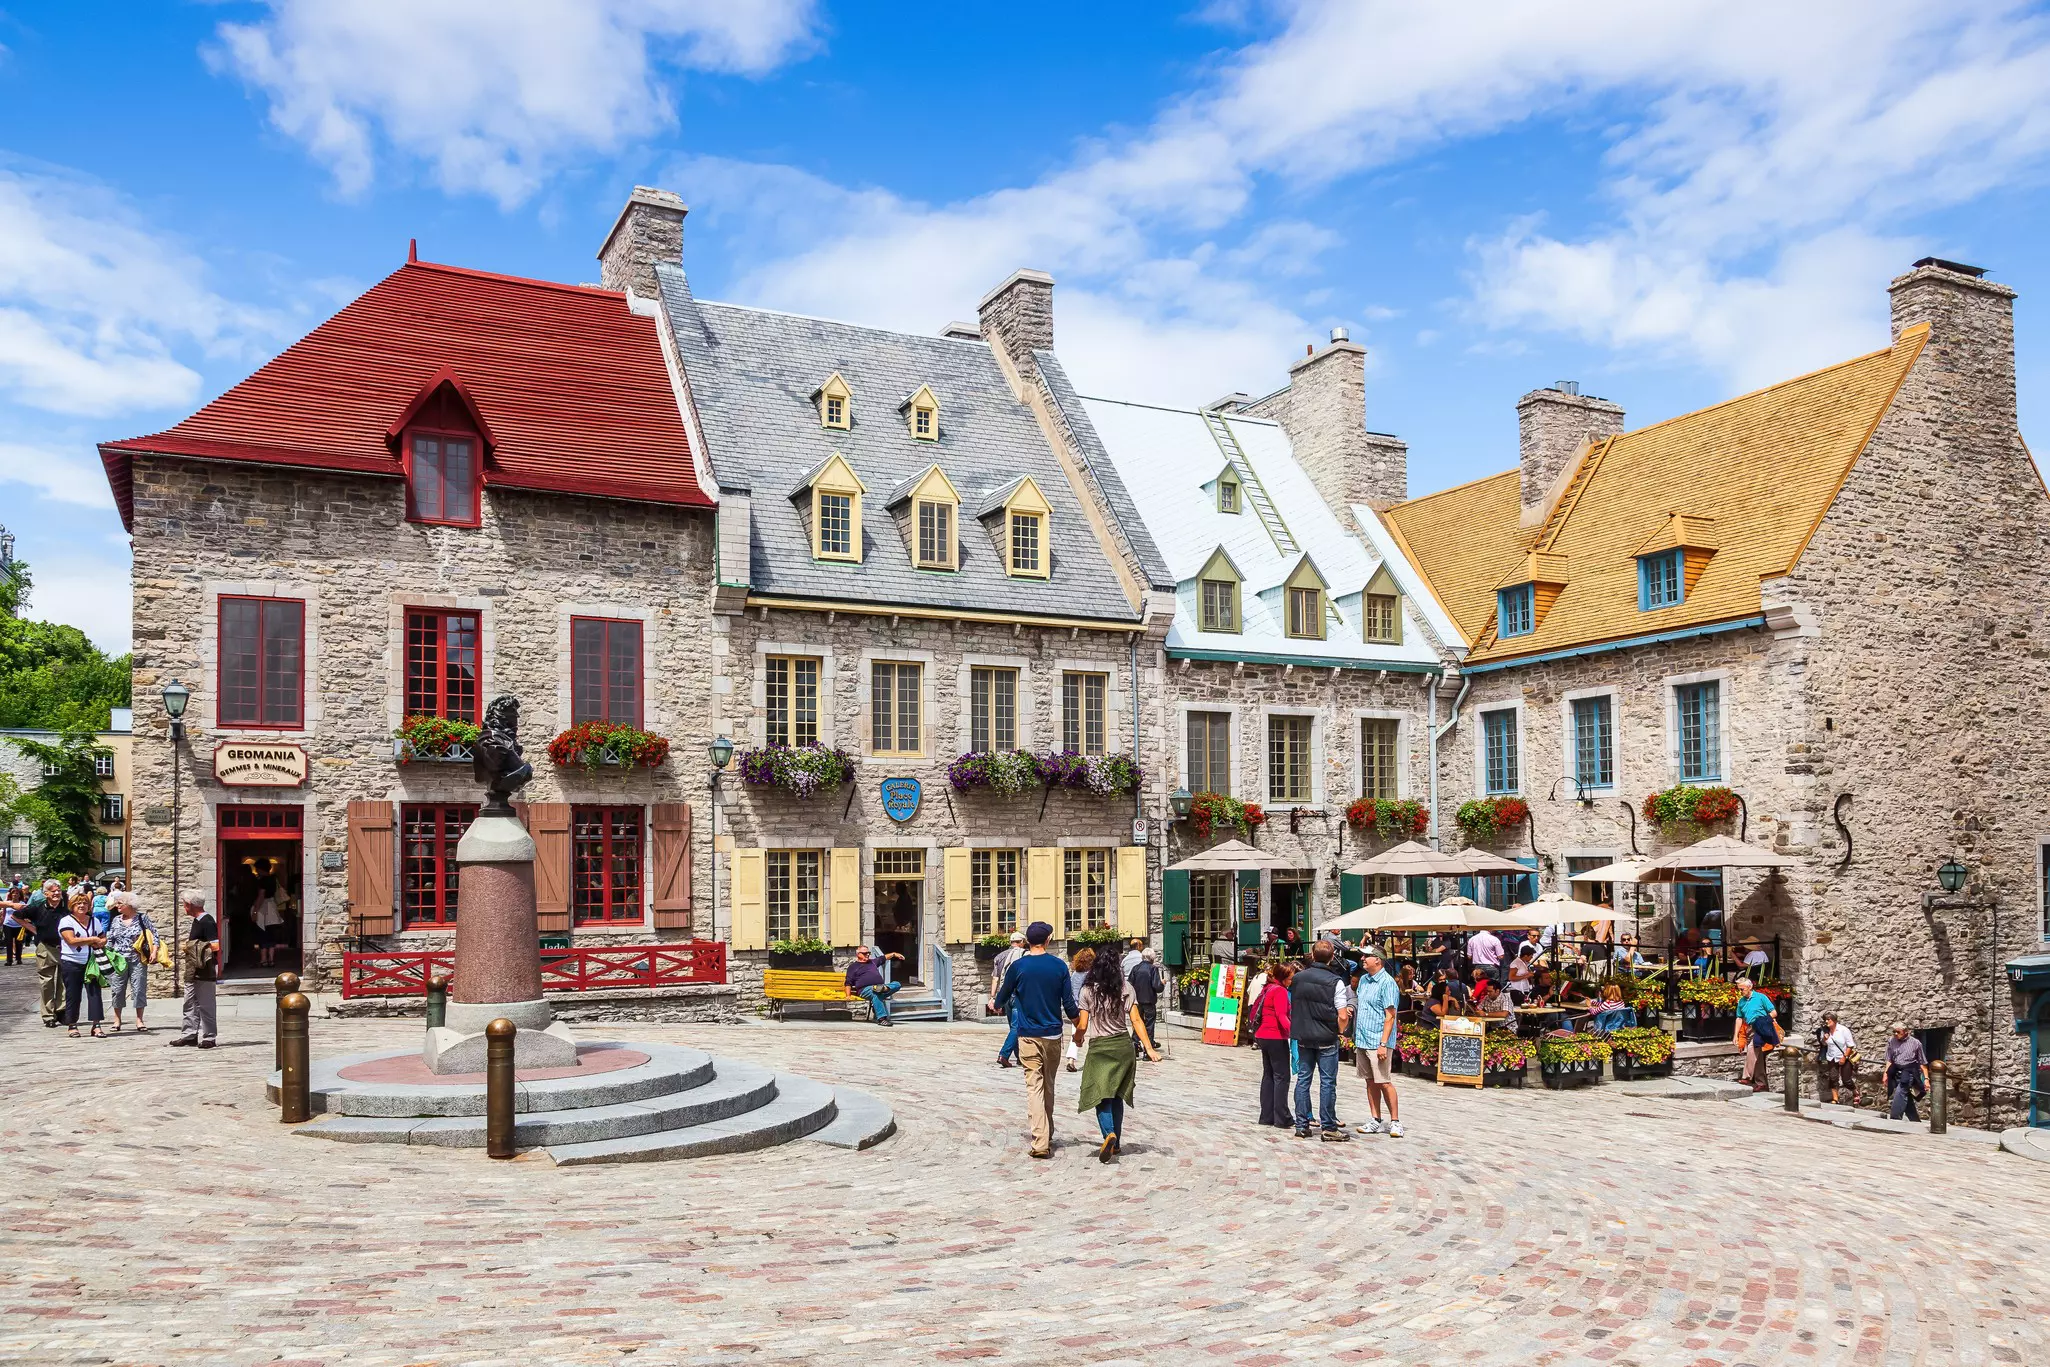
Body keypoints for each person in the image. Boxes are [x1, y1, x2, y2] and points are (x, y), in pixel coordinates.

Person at [991, 921, 1079, 1158]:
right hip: (1053, 1035)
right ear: (1048, 940)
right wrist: (1079, 1023)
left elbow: (1002, 996)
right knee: (1048, 1084)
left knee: (1034, 1086)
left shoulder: (1018, 967)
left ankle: (1040, 1141)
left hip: (1028, 1035)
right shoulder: (1059, 966)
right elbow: (1068, 1002)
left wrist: (996, 1005)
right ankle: (1045, 1132)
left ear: (1028, 941)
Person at [1074, 944, 1161, 1162]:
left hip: (1100, 1048)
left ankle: (1109, 1134)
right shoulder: (1125, 988)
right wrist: (1149, 1048)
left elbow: (1083, 1024)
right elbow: (1136, 1020)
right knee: (1117, 1096)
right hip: (1123, 1046)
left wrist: (1077, 1039)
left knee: (1101, 1094)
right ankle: (1117, 1143)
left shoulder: (1087, 990)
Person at [1288, 941, 1352, 1141]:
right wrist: (1341, 1030)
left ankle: (1301, 1125)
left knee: (1303, 1080)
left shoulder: (1297, 978)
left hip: (1304, 1035)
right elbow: (1342, 1015)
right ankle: (1329, 1126)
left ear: (1313, 956)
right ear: (1332, 957)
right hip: (1326, 1036)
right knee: (1327, 1083)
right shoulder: (1336, 982)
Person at [1352, 948, 1403, 1138]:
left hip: (1378, 1040)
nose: (1362, 959)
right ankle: (1376, 1119)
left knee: (1384, 1081)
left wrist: (1383, 1043)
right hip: (1363, 1039)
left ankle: (1396, 1122)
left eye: (1367, 956)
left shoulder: (1387, 983)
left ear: (1378, 961)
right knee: (1370, 1080)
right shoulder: (1364, 980)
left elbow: (1390, 1016)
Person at [169, 893, 221, 1048]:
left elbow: (215, 946)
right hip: (192, 969)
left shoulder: (207, 921)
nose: (184, 907)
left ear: (190, 905)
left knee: (206, 1004)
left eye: (185, 904)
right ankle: (189, 1035)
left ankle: (209, 1037)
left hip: (204, 968)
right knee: (189, 1002)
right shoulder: (197, 921)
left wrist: (191, 946)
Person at [100, 893, 156, 1034]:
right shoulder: (116, 920)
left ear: (129, 905)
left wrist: (154, 952)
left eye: (120, 903)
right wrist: (107, 954)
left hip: (138, 959)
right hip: (119, 960)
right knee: (117, 990)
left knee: (138, 989)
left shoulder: (142, 918)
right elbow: (111, 938)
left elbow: (155, 935)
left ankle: (139, 1020)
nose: (117, 906)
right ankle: (117, 1019)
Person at [1248, 961, 1294, 1127]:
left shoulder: (1268, 988)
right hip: (1276, 1036)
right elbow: (1282, 1016)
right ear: (1282, 978)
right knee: (1282, 1077)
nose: (1291, 982)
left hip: (1262, 1035)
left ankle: (1266, 1116)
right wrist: (1295, 1033)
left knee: (1268, 1076)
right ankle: (1282, 1117)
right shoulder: (1280, 991)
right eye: (1289, 979)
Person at [57, 891, 107, 1038]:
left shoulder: (94, 921)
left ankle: (96, 1025)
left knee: (94, 993)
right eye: (78, 903)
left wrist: (101, 941)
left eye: (85, 903)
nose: (82, 905)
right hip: (71, 962)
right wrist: (93, 939)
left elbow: (103, 937)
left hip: (91, 962)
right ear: (72, 905)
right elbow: (71, 940)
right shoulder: (66, 921)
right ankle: (72, 1024)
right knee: (73, 994)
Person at [27, 879, 67, 1026]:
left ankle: (62, 1011)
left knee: (64, 981)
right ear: (46, 893)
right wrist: (33, 930)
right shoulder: (38, 907)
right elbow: (17, 915)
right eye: (53, 890)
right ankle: (48, 1015)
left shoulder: (66, 906)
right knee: (46, 982)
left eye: (58, 890)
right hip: (45, 947)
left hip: (65, 947)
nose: (57, 893)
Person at [988, 930, 1027, 1067]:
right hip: (1017, 995)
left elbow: (995, 978)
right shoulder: (1024, 955)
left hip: (1005, 995)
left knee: (1013, 1027)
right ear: (1022, 942)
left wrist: (993, 998)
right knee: (1017, 1027)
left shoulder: (1000, 956)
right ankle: (1004, 1055)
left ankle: (1019, 1057)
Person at [1734, 977, 1779, 1091]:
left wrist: (1764, 1021)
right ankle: (1761, 1083)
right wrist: (1736, 1036)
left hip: (1761, 1028)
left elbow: (1773, 1012)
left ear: (1750, 987)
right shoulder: (1741, 1001)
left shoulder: (1761, 997)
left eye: (1742, 989)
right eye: (1739, 989)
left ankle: (1747, 1076)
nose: (1740, 992)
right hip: (1750, 1029)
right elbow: (1739, 1018)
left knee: (1752, 1048)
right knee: (1757, 1056)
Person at [843, 945, 906, 1025]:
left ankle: (883, 988)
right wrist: (848, 995)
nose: (868, 954)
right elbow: (848, 982)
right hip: (865, 990)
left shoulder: (872, 962)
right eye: (865, 953)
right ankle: (881, 1019)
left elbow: (883, 958)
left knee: (897, 984)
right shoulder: (853, 967)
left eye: (868, 953)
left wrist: (894, 954)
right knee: (875, 993)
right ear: (858, 954)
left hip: (879, 987)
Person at [1126, 947, 1167, 1061]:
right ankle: (1147, 1051)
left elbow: (1129, 984)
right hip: (1149, 1001)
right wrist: (1162, 983)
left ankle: (1135, 1044)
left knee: (1137, 1022)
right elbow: (1157, 987)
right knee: (1149, 1025)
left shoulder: (1135, 968)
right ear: (1152, 958)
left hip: (1137, 1001)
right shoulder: (1152, 969)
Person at [1883, 1022, 1927, 1121]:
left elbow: (1922, 1062)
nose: (1895, 1034)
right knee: (1906, 1096)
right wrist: (1885, 1074)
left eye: (1898, 1032)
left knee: (1901, 1092)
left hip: (1909, 1072)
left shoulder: (1916, 1043)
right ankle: (1915, 1120)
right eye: (1893, 1031)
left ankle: (1895, 1117)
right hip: (1895, 1070)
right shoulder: (1891, 1041)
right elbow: (1889, 1059)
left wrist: (1926, 1079)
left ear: (1906, 1032)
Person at [1063, 947, 1096, 1072]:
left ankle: (1071, 1059)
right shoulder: (1092, 975)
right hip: (1090, 1007)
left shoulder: (1075, 975)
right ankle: (1093, 1059)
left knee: (1076, 1033)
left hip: (1077, 1008)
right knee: (1095, 1032)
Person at [1816, 1011, 1858, 1106]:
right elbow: (1823, 1044)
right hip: (1831, 1057)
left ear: (1834, 1020)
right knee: (1833, 1078)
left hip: (1844, 1057)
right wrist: (1824, 1039)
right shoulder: (1825, 1031)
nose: (1826, 1021)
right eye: (1825, 1020)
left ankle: (1855, 1091)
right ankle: (1835, 1099)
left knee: (1846, 1080)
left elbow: (1850, 1045)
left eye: (1828, 1019)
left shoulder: (1843, 1030)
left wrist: (1844, 1057)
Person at [250, 878, 285, 969]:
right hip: (272, 908)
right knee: (271, 934)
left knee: (262, 934)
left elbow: (261, 896)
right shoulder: (273, 880)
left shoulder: (263, 881)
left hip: (263, 909)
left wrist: (255, 911)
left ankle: (263, 960)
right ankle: (271, 960)